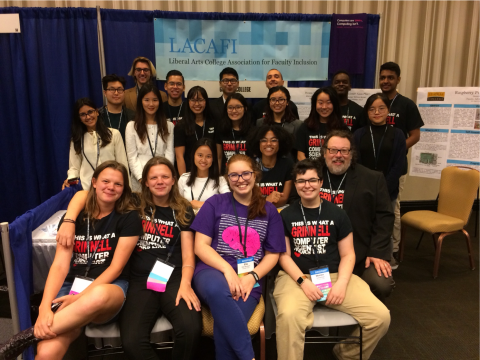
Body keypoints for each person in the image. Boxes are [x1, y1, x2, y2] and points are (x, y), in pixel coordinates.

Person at [0, 161, 143, 360]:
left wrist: (78, 299)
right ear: (94, 182)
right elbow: (59, 265)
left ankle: (24, 337)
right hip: (71, 286)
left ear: (124, 189)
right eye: (106, 181)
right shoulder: (73, 219)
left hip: (109, 288)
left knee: (98, 295)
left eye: (118, 184)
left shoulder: (129, 218)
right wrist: (44, 308)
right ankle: (36, 331)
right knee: (47, 352)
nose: (111, 187)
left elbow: (116, 269)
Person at [274, 158, 390, 360]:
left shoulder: (338, 214)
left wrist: (342, 284)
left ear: (321, 183)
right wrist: (303, 282)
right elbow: (283, 256)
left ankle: (346, 353)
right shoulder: (285, 215)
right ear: (295, 184)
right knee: (289, 317)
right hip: (296, 277)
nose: (307, 185)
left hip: (336, 276)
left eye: (312, 180)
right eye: (301, 181)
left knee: (380, 317)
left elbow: (348, 254)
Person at [191, 154, 286, 360]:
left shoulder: (269, 211)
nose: (240, 179)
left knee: (228, 328)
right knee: (218, 290)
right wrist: (226, 270)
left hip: (250, 276)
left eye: (245, 173)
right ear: (227, 178)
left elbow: (273, 255)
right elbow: (200, 247)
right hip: (213, 270)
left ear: (255, 175)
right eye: (234, 175)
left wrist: (252, 276)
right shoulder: (215, 203)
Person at [119, 156, 202, 360]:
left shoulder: (183, 209)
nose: (160, 181)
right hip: (140, 280)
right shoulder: (134, 204)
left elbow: (188, 256)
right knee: (131, 341)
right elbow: (89, 194)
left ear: (174, 179)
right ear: (145, 181)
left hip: (174, 278)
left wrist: (186, 283)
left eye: (165, 176)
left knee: (190, 329)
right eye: (154, 177)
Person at [319, 130, 395, 301]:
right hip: (317, 252)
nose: (338, 155)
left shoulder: (372, 179)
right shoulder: (310, 176)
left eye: (344, 151)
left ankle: (360, 322)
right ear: (324, 152)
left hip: (359, 253)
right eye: (333, 150)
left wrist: (377, 252)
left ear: (351, 154)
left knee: (381, 283)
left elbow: (385, 218)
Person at [379, 61, 424, 264]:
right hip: (375, 166)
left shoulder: (406, 104)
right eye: (382, 77)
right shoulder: (376, 102)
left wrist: (397, 150)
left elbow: (415, 135)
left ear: (398, 79)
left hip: (396, 167)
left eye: (390, 77)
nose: (386, 81)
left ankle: (393, 250)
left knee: (392, 207)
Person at [63, 98, 129, 191]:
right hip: (88, 188)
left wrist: (127, 189)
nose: (88, 117)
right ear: (79, 118)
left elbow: (123, 165)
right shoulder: (77, 139)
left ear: (97, 112)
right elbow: (74, 167)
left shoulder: (114, 134)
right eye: (83, 114)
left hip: (111, 187)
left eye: (90, 112)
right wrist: (70, 179)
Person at [354, 93, 406, 203]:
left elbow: (398, 165)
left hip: (388, 191)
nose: (376, 112)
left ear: (388, 109)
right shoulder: (358, 134)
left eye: (381, 108)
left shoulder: (398, 134)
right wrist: (365, 187)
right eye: (372, 109)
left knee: (386, 219)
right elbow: (355, 163)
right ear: (367, 112)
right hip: (363, 190)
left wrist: (384, 189)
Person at [125, 84, 174, 192]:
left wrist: (165, 176)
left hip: (162, 180)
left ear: (159, 102)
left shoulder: (169, 125)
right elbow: (132, 157)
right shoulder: (132, 126)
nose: (151, 104)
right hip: (140, 180)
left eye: (155, 100)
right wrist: (142, 179)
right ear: (141, 101)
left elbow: (170, 153)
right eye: (146, 100)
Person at [295, 87, 348, 161]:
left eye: (329, 102)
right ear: (314, 104)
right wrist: (311, 170)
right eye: (320, 103)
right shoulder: (305, 127)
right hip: (310, 170)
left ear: (335, 104)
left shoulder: (342, 128)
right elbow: (300, 155)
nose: (324, 107)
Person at [247, 125, 293, 208]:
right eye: (264, 140)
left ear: (280, 143)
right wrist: (267, 200)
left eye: (274, 140)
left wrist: (262, 203)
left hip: (278, 210)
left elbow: (284, 199)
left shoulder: (287, 164)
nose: (268, 144)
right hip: (253, 211)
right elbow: (246, 200)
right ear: (258, 143)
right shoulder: (249, 164)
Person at [178, 138, 230, 212]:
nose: (203, 160)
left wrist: (201, 204)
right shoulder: (183, 178)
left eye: (208, 156)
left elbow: (228, 202)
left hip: (211, 221)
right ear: (193, 156)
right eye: (200, 155)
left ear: (213, 158)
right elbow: (177, 204)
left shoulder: (220, 180)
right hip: (187, 221)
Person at [174, 86, 215, 175]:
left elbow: (218, 154)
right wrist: (183, 179)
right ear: (188, 102)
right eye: (193, 100)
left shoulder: (213, 122)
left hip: (211, 173)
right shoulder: (181, 126)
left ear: (206, 102)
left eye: (200, 100)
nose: (197, 104)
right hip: (190, 173)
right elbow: (179, 156)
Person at [215, 93, 253, 173]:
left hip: (247, 174)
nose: (234, 111)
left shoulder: (253, 130)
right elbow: (219, 157)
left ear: (245, 108)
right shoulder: (221, 129)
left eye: (238, 107)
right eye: (230, 108)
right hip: (226, 175)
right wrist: (218, 178)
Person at [99, 74, 136, 144]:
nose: (116, 93)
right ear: (105, 93)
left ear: (124, 92)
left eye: (119, 89)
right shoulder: (98, 116)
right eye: (112, 89)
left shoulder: (133, 116)